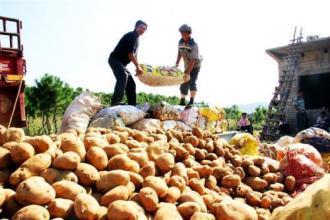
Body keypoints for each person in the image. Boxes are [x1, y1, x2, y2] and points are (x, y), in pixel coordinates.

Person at [108, 20, 147, 106]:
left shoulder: (137, 39)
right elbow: (130, 53)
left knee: (131, 84)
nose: (142, 30)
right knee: (123, 76)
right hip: (115, 59)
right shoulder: (131, 36)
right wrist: (137, 66)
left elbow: (135, 56)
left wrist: (139, 67)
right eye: (141, 27)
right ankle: (116, 101)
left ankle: (132, 105)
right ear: (136, 27)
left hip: (122, 64)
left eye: (144, 29)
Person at [175, 24, 202, 108]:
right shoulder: (180, 42)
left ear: (189, 34)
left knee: (192, 82)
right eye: (181, 33)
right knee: (184, 81)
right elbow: (179, 53)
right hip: (187, 65)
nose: (182, 35)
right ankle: (182, 101)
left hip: (195, 66)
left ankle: (191, 101)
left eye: (184, 34)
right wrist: (176, 64)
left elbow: (193, 61)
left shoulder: (194, 45)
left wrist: (187, 73)